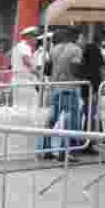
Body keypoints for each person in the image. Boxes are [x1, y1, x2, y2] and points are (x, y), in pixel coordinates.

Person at [37, 27, 84, 162]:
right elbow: (75, 69)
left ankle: (45, 149)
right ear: (73, 37)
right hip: (70, 88)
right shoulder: (76, 50)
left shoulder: (54, 49)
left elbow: (47, 69)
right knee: (71, 121)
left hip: (55, 88)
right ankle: (65, 152)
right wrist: (82, 74)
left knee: (52, 119)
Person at [12, 27, 40, 109]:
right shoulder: (24, 47)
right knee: (28, 105)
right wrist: (39, 75)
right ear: (28, 37)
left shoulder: (19, 46)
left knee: (21, 106)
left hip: (20, 80)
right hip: (23, 81)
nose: (36, 39)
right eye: (34, 37)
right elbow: (27, 62)